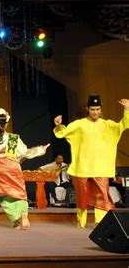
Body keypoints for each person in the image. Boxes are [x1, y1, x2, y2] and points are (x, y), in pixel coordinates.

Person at [54, 95, 129, 228]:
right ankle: (81, 221)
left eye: (98, 109)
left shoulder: (107, 124)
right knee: (81, 196)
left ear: (101, 109)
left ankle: (99, 222)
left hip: (100, 167)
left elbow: (123, 125)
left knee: (101, 195)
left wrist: (127, 110)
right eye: (93, 109)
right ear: (88, 109)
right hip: (82, 167)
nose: (95, 112)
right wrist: (59, 125)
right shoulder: (79, 124)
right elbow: (63, 132)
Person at [0, 108, 49, 230]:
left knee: (3, 194)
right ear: (6, 124)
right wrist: (40, 149)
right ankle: (22, 215)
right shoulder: (13, 138)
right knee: (19, 192)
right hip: (13, 166)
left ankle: (16, 219)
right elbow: (26, 153)